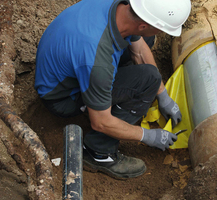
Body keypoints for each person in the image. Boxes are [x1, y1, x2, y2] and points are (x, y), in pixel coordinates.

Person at [35, 0, 191, 179]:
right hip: (62, 96)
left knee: (147, 39)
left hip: (72, 58)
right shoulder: (97, 61)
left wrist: (162, 94)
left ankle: (105, 96)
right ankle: (98, 153)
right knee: (148, 80)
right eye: (162, 28)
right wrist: (147, 136)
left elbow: (139, 48)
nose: (162, 33)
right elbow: (101, 122)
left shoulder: (122, 8)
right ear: (142, 24)